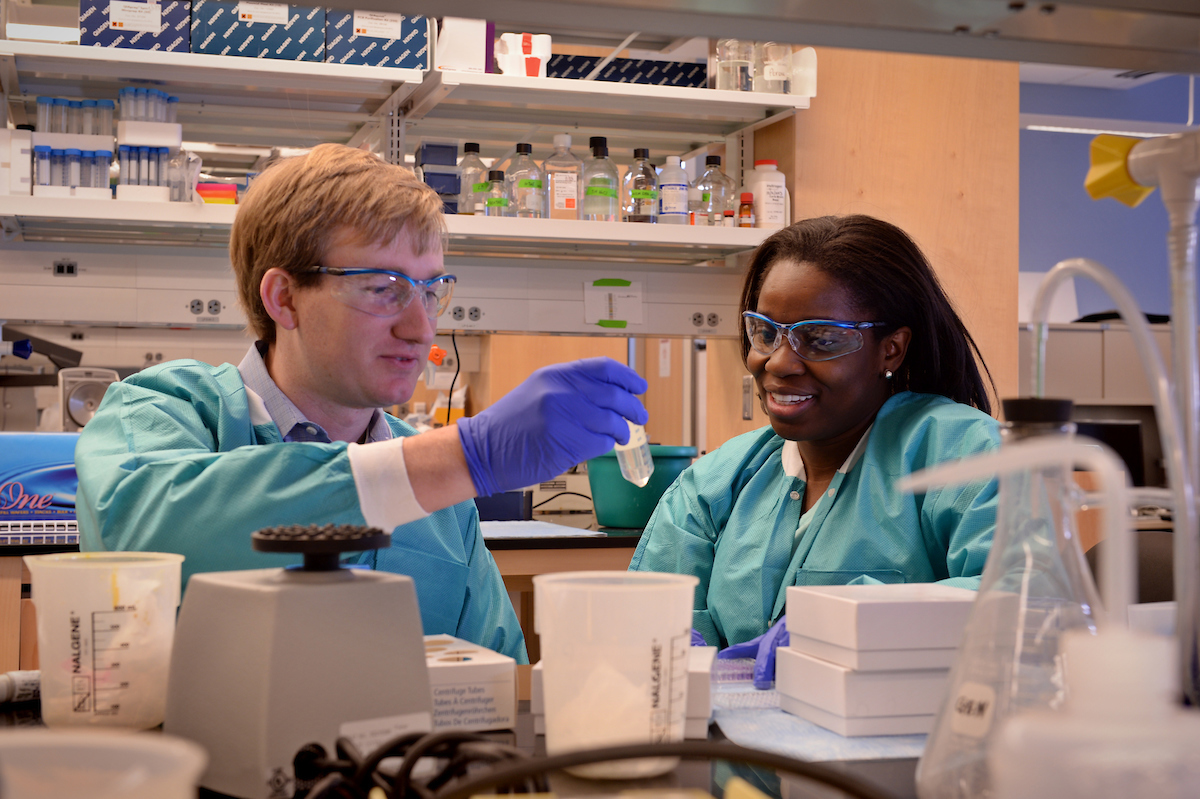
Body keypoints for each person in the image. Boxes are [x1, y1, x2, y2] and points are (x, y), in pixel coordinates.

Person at [74, 144, 649, 664]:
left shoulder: (443, 497)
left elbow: (500, 678)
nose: (421, 328)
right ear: (284, 298)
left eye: (430, 291)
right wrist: (463, 458)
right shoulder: (164, 409)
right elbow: (140, 538)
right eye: (383, 288)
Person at [630, 214, 1000, 656]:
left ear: (892, 348)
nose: (778, 363)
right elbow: (648, 620)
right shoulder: (717, 484)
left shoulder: (966, 455)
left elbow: (1020, 600)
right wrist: (665, 644)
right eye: (765, 333)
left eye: (820, 338)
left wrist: (840, 625)